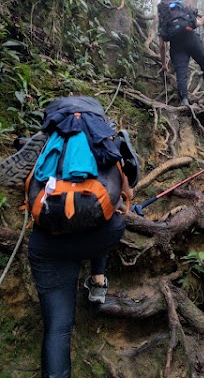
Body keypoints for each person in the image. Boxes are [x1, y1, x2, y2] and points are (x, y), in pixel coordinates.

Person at [26, 97, 139, 378]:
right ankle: (98, 280)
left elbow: (26, 185)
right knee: (108, 216)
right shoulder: (107, 138)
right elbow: (129, 188)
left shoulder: (46, 141)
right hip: (99, 235)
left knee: (58, 329)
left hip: (47, 245)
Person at [158, 0, 204, 106]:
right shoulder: (184, 11)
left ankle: (184, 101)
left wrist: (164, 64)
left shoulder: (164, 18)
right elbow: (198, 23)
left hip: (176, 46)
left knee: (181, 75)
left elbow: (161, 46)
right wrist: (203, 18)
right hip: (192, 39)